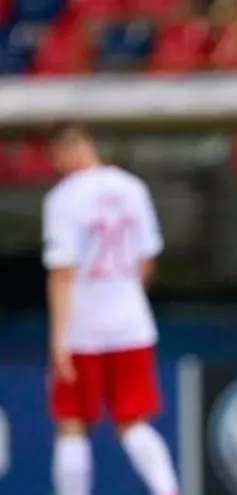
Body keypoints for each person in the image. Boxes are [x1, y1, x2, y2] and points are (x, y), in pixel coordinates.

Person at [42, 122, 179, 495]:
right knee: (132, 421)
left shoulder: (63, 198)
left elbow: (62, 273)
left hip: (81, 328)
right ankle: (168, 490)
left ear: (62, 153)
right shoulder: (133, 188)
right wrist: (126, 297)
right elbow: (146, 261)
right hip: (131, 325)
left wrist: (58, 340)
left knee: (71, 423)